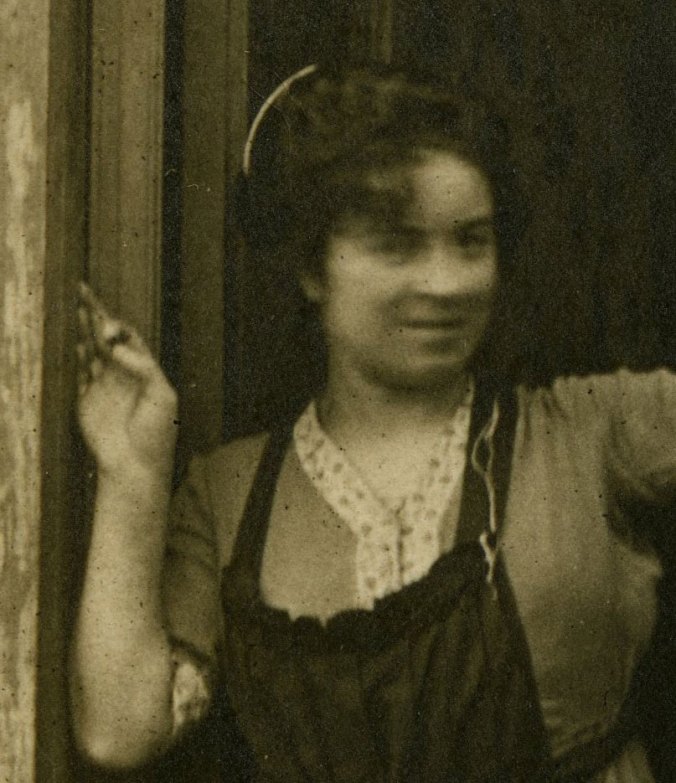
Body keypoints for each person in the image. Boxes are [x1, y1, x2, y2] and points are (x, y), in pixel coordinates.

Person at [71, 62, 675, 782]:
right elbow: (119, 731)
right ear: (312, 268)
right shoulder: (230, 495)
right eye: (397, 244)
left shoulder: (593, 433)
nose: (445, 282)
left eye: (471, 241)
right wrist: (132, 471)